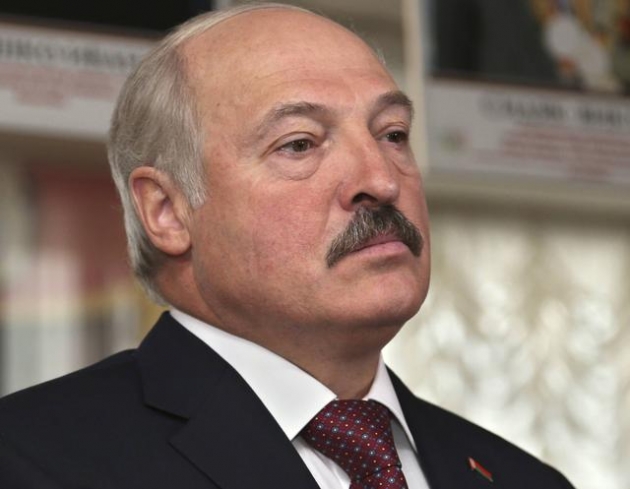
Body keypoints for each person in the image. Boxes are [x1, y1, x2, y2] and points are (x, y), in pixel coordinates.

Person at [0, 3, 575, 488]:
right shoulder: (30, 460)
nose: (380, 179)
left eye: (393, 134)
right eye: (300, 144)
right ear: (168, 212)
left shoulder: (524, 479)